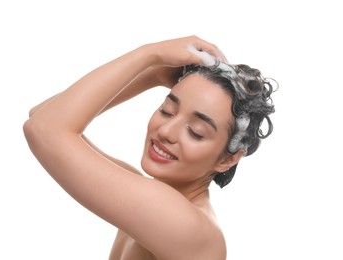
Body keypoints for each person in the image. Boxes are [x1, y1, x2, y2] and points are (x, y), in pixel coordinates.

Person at [23, 35, 276, 260]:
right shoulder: (144, 192)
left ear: (227, 160)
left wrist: (149, 56)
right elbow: (43, 115)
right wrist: (154, 76)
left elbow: (45, 129)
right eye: (167, 111)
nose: (166, 132)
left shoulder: (188, 227)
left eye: (196, 132)